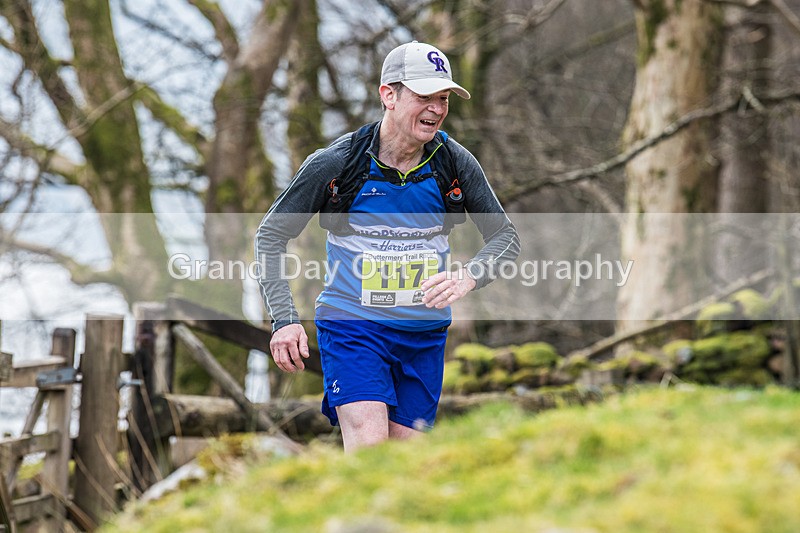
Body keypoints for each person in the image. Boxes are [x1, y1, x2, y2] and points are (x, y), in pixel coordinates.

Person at [255, 41, 519, 452]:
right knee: (371, 452)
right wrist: (284, 319)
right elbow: (271, 235)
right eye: (424, 96)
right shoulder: (337, 164)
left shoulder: (453, 163)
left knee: (405, 464)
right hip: (353, 326)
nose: (436, 108)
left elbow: (505, 238)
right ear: (388, 95)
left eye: (443, 98)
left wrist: (471, 275)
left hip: (423, 335)